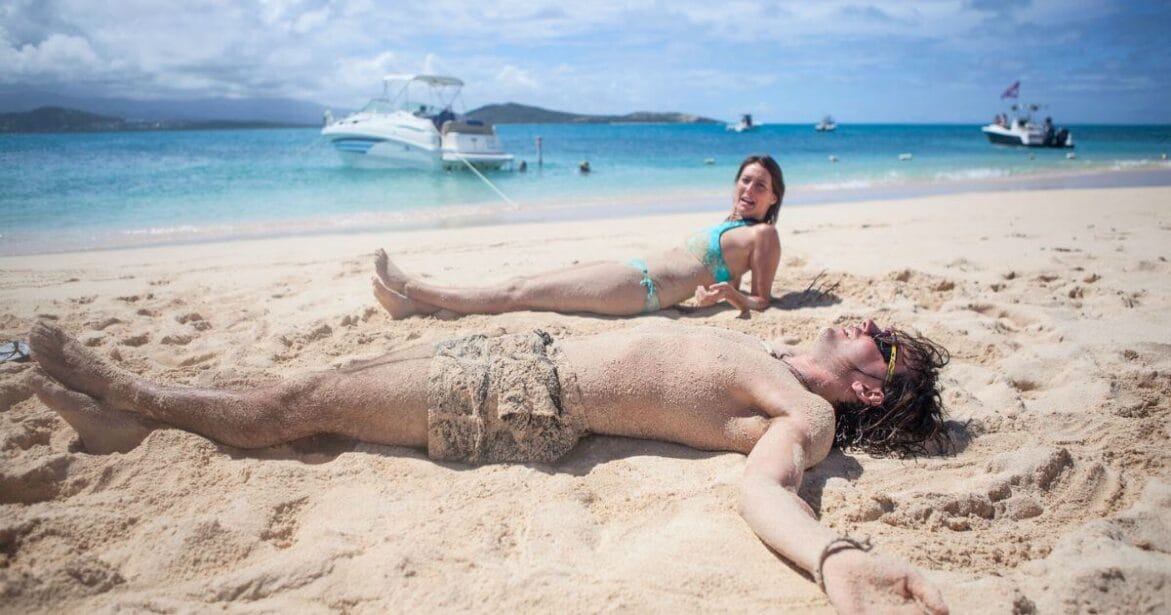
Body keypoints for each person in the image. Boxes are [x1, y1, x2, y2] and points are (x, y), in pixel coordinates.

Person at [28, 318, 950, 613]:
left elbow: (763, 486)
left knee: (298, 403)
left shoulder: (808, 413)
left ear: (870, 394)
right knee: (316, 382)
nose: (855, 326)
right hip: (524, 358)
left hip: (523, 398)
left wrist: (831, 557)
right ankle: (133, 420)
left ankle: (129, 396)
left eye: (877, 344)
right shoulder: (775, 359)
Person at [371, 154, 785, 318]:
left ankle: (415, 287)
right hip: (633, 270)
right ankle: (415, 308)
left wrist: (732, 296)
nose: (748, 190)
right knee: (528, 287)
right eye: (744, 181)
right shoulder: (733, 225)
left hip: (644, 289)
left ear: (773, 197)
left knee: (520, 291)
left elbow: (762, 302)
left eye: (759, 186)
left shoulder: (764, 235)